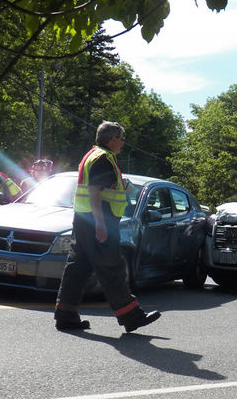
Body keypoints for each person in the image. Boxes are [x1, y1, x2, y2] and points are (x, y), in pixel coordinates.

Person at [54, 121, 160, 332]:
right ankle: (131, 317)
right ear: (112, 139)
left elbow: (98, 190)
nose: (122, 143)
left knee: (77, 267)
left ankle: (66, 315)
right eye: (121, 138)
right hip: (98, 221)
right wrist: (101, 225)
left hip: (84, 219)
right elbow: (94, 192)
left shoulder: (92, 155)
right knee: (112, 268)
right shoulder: (104, 158)